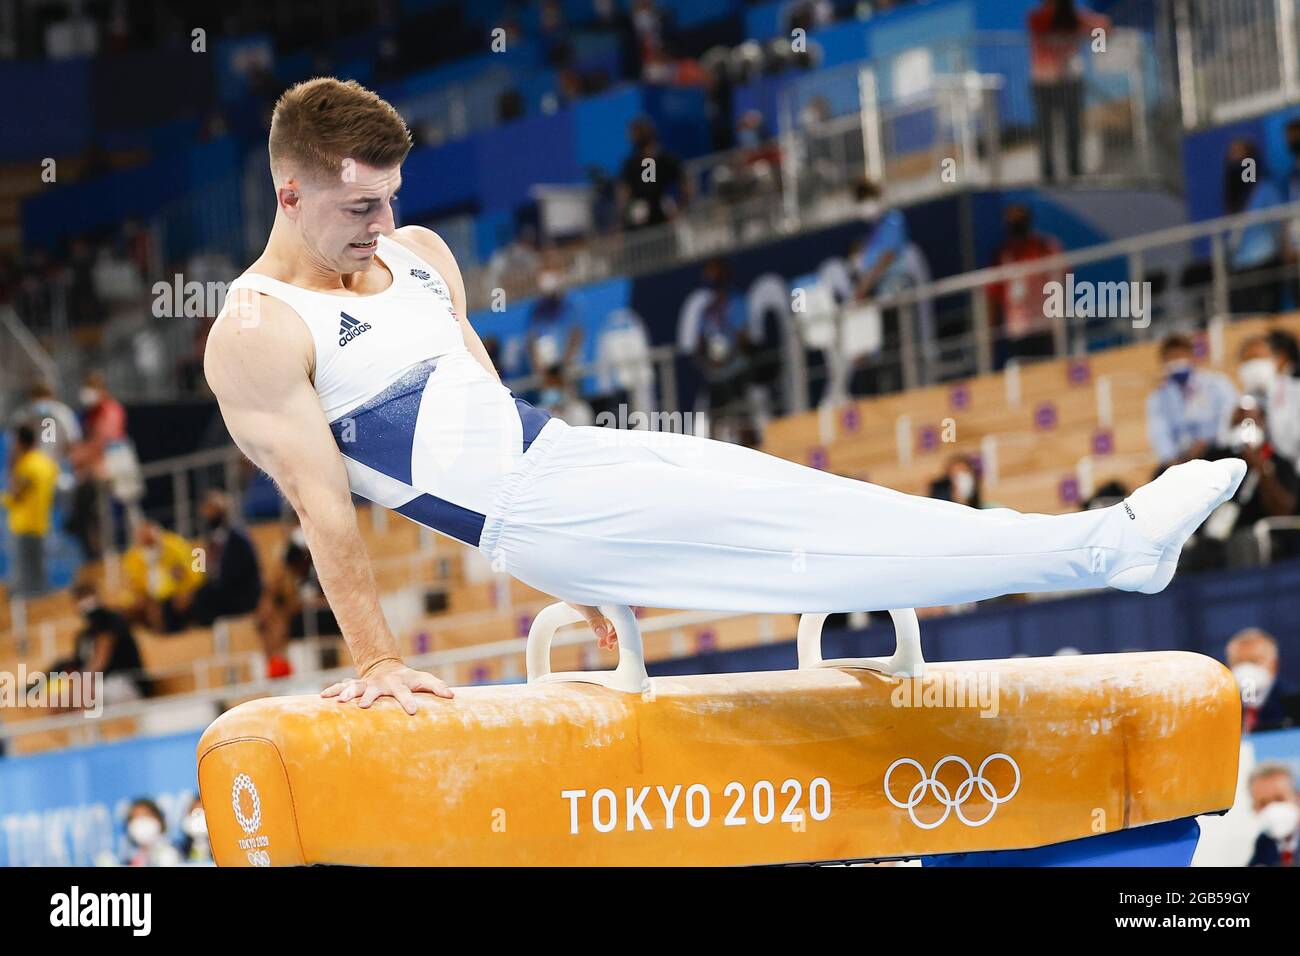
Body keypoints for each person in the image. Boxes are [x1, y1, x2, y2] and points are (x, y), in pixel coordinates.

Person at [204, 77, 1248, 716]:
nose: (385, 221)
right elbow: (324, 511)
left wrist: (578, 582)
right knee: (829, 545)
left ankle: (1099, 545)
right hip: (545, 508)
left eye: (392, 196)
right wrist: (381, 663)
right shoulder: (256, 331)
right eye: (358, 204)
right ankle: (1105, 546)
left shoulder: (421, 255)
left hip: (568, 464)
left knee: (823, 502)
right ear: (288, 190)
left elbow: (481, 407)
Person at [1026, 0, 1111, 182]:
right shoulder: (1038, 17)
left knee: (1073, 130)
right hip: (1044, 84)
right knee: (1046, 133)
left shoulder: (1073, 18)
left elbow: (1104, 26)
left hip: (1069, 83)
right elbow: (1045, 37)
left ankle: (1075, 173)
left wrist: (1088, 21)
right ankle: (1049, 177)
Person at [986, 204, 1065, 369]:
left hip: (1046, 328)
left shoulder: (1045, 247)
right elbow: (993, 298)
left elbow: (1063, 279)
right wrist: (989, 340)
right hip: (1019, 332)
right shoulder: (1002, 255)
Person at [1146, 333, 1238, 469]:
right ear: (1163, 363)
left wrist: (1207, 440)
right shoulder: (1158, 398)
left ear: (1192, 357)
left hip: (1215, 450)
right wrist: (1172, 460)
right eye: (1170, 358)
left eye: (1180, 356)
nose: (1176, 361)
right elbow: (1159, 433)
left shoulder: (1216, 384)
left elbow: (1230, 414)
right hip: (1180, 460)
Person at [187, 490, 262, 625]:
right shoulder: (210, 539)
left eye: (212, 510)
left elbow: (235, 573)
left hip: (242, 593)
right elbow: (203, 568)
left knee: (203, 597)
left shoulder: (238, 537)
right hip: (224, 588)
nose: (207, 515)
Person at [2, 424, 59, 598]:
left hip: (23, 525)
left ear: (20, 442)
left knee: (24, 582)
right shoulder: (47, 463)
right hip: (42, 523)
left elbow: (15, 496)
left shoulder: (25, 465)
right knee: (38, 574)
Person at [120, 520, 205, 633]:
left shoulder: (175, 545)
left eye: (149, 540)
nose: (146, 543)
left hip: (177, 593)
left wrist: (186, 590)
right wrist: (138, 598)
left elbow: (195, 570)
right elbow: (132, 584)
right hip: (151, 598)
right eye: (143, 540)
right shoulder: (132, 557)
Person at [1238, 331, 1300, 464]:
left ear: (1278, 358)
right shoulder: (1244, 402)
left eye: (1258, 357)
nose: (1254, 364)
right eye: (1247, 360)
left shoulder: (1294, 390)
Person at [1227, 628, 1299, 734]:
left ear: (1274, 664)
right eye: (1239, 662)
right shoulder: (1224, 706)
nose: (1246, 668)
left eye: (1254, 661)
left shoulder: (1294, 704)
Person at [1246, 763, 1299, 866]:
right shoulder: (1264, 842)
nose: (1272, 809)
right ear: (1254, 808)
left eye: (1279, 799)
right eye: (1263, 803)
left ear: (1297, 797)